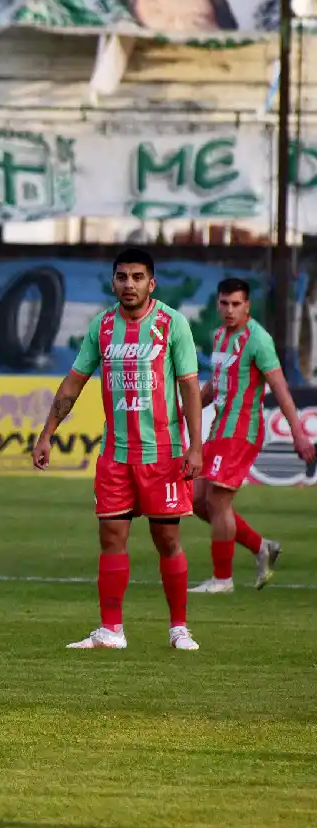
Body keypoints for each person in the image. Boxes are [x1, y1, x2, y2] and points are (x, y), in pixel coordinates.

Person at [33, 248, 204, 651]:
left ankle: (178, 627)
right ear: (114, 282)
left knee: (167, 541)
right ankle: (111, 630)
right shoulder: (103, 326)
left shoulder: (171, 324)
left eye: (138, 277)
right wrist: (47, 434)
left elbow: (189, 388)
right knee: (111, 537)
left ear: (152, 283)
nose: (130, 284)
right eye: (123, 277)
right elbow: (73, 383)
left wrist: (196, 447)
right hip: (116, 455)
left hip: (163, 454)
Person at [189, 278, 315, 593]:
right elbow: (214, 385)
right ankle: (261, 547)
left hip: (242, 430)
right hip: (219, 428)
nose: (229, 310)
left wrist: (298, 434)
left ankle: (222, 580)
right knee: (195, 500)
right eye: (224, 303)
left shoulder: (258, 340)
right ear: (217, 304)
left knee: (217, 501)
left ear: (247, 306)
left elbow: (282, 390)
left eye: (236, 304)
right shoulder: (218, 336)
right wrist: (185, 411)